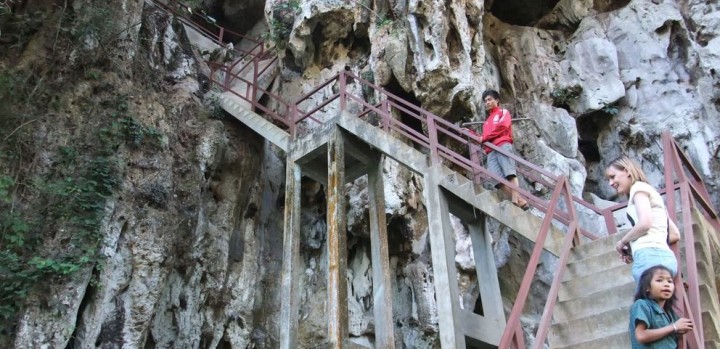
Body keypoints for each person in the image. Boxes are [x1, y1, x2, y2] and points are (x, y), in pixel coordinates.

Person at [605, 156, 680, 283]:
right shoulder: (651, 193)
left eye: (613, 176)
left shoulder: (638, 189)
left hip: (650, 257)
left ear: (627, 171)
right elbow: (674, 234)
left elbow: (645, 224)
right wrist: (634, 248)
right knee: (653, 303)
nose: (610, 183)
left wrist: (622, 242)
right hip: (664, 257)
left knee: (645, 303)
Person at [463, 89, 528, 210]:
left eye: (489, 99)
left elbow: (503, 127)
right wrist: (471, 133)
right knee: (496, 179)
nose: (487, 102)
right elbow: (483, 138)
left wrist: (484, 138)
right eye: (485, 101)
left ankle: (514, 201)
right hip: (490, 151)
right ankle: (520, 201)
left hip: (502, 144)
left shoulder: (503, 112)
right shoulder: (486, 122)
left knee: (509, 173)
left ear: (497, 100)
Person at [629, 265, 694, 348]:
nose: (666, 284)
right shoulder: (642, 305)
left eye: (670, 281)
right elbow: (641, 336)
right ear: (647, 288)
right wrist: (674, 327)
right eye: (659, 280)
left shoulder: (669, 313)